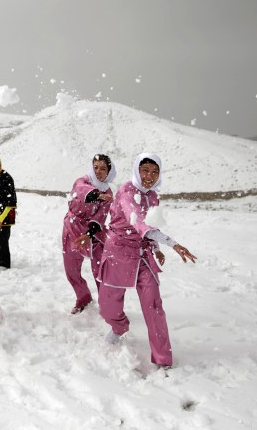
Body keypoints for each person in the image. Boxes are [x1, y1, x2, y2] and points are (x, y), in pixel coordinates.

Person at [97, 153, 197, 369]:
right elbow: (139, 222)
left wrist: (156, 247)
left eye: (154, 171)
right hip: (118, 252)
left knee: (154, 305)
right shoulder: (126, 192)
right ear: (136, 170)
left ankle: (163, 360)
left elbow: (150, 226)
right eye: (145, 170)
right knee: (108, 308)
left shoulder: (153, 197)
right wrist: (173, 244)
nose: (149, 176)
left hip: (142, 253)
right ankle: (118, 327)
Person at [63, 154, 116, 315]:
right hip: (72, 227)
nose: (98, 171)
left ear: (109, 172)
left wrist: (88, 234)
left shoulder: (108, 192)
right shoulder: (82, 181)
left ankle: (106, 303)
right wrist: (98, 195)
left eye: (103, 169)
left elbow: (101, 215)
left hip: (94, 232)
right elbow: (80, 191)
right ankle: (83, 297)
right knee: (71, 269)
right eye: (96, 167)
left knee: (100, 269)